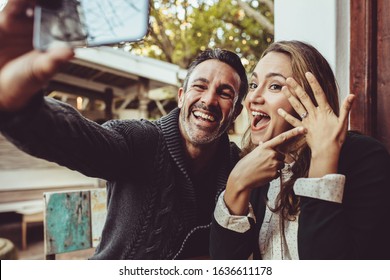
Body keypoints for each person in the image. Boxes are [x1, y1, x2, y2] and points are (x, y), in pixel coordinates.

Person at [0, 0, 304, 259]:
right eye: (199, 86)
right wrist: (17, 103)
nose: (209, 100)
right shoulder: (138, 140)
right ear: (182, 96)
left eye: (224, 93)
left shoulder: (241, 167)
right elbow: (77, 139)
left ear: (236, 110)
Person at [210, 40, 390, 260]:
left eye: (275, 86)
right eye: (255, 85)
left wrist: (324, 157)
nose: (253, 98)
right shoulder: (255, 164)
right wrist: (236, 184)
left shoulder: (365, 157)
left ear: (310, 99)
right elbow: (225, 264)